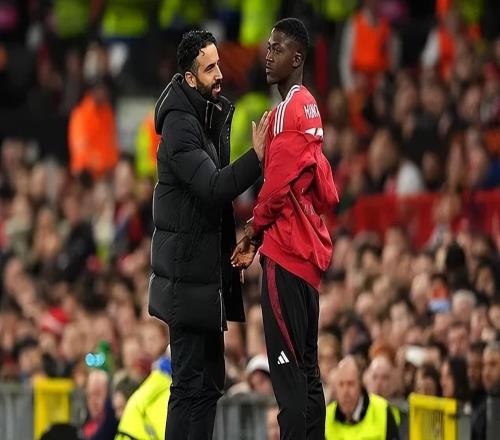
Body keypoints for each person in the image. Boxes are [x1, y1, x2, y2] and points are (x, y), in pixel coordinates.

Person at [148, 30, 270, 440]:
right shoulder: (180, 127)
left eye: (218, 64)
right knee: (189, 386)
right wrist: (257, 157)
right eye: (209, 68)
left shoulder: (202, 115)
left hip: (202, 278)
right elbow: (214, 187)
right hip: (186, 280)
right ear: (189, 78)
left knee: (208, 384)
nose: (219, 74)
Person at [231, 18, 338, 439]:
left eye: (277, 48)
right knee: (308, 375)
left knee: (289, 380)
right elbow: (326, 191)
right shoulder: (309, 108)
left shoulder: (286, 112)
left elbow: (274, 190)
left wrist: (252, 233)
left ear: (297, 58)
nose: (267, 54)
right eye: (268, 47)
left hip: (286, 255)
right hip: (307, 261)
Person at [325, 356, 400, 440]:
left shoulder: (382, 409)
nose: (345, 392)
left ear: (360, 385)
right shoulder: (326, 417)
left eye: (350, 384)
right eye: (341, 384)